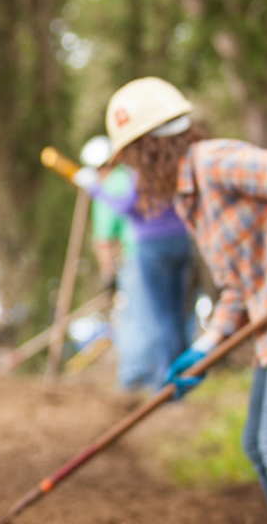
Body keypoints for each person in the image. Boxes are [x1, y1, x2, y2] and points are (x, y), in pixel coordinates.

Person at [104, 77, 267, 524]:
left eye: (129, 157)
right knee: (257, 445)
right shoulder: (190, 201)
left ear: (149, 148)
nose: (131, 171)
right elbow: (237, 287)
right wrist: (203, 349)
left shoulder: (216, 162)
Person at [74, 132, 195, 391]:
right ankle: (181, 377)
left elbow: (107, 235)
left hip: (147, 250)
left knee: (153, 318)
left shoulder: (126, 178)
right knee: (177, 314)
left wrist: (95, 190)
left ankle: (157, 381)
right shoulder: (166, 165)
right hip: (181, 241)